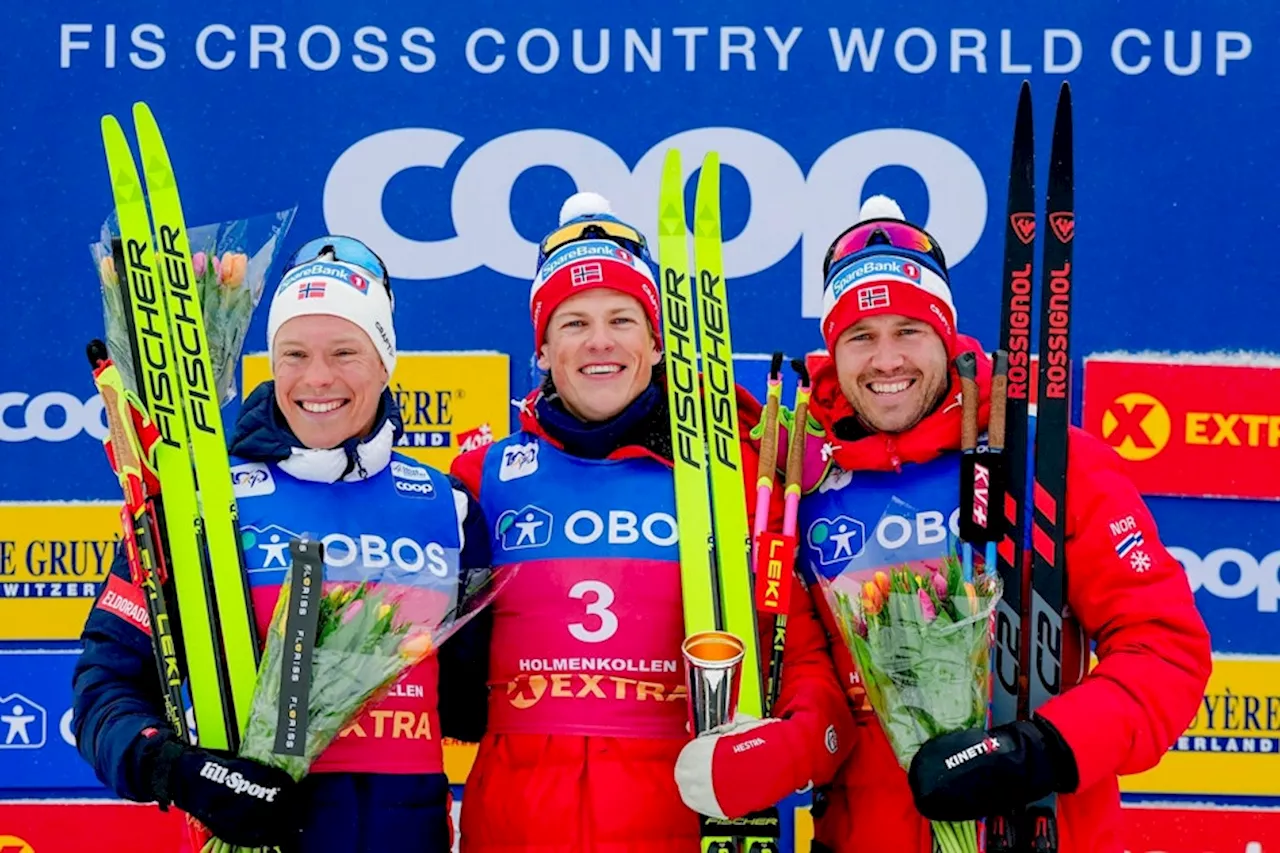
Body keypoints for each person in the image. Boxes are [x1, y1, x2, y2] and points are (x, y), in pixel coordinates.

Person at [681, 195, 1213, 852]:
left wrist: (1039, 750)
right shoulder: (801, 484)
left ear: (947, 337)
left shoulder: (1050, 460)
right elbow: (810, 686)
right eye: (860, 336)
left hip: (1040, 831)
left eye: (909, 331)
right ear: (833, 350)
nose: (886, 360)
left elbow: (1164, 649)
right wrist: (783, 749)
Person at [447, 193, 855, 852]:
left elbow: (807, 663)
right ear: (543, 350)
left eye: (622, 319)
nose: (599, 341)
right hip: (514, 824)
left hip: (678, 818)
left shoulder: (731, 473)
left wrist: (787, 748)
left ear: (657, 341)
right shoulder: (479, 477)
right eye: (573, 323)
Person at [72, 236, 492, 853]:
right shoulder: (201, 507)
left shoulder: (447, 507)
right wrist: (181, 771)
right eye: (294, 353)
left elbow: (472, 708)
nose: (317, 378)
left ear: (386, 361)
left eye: (346, 351)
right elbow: (104, 688)